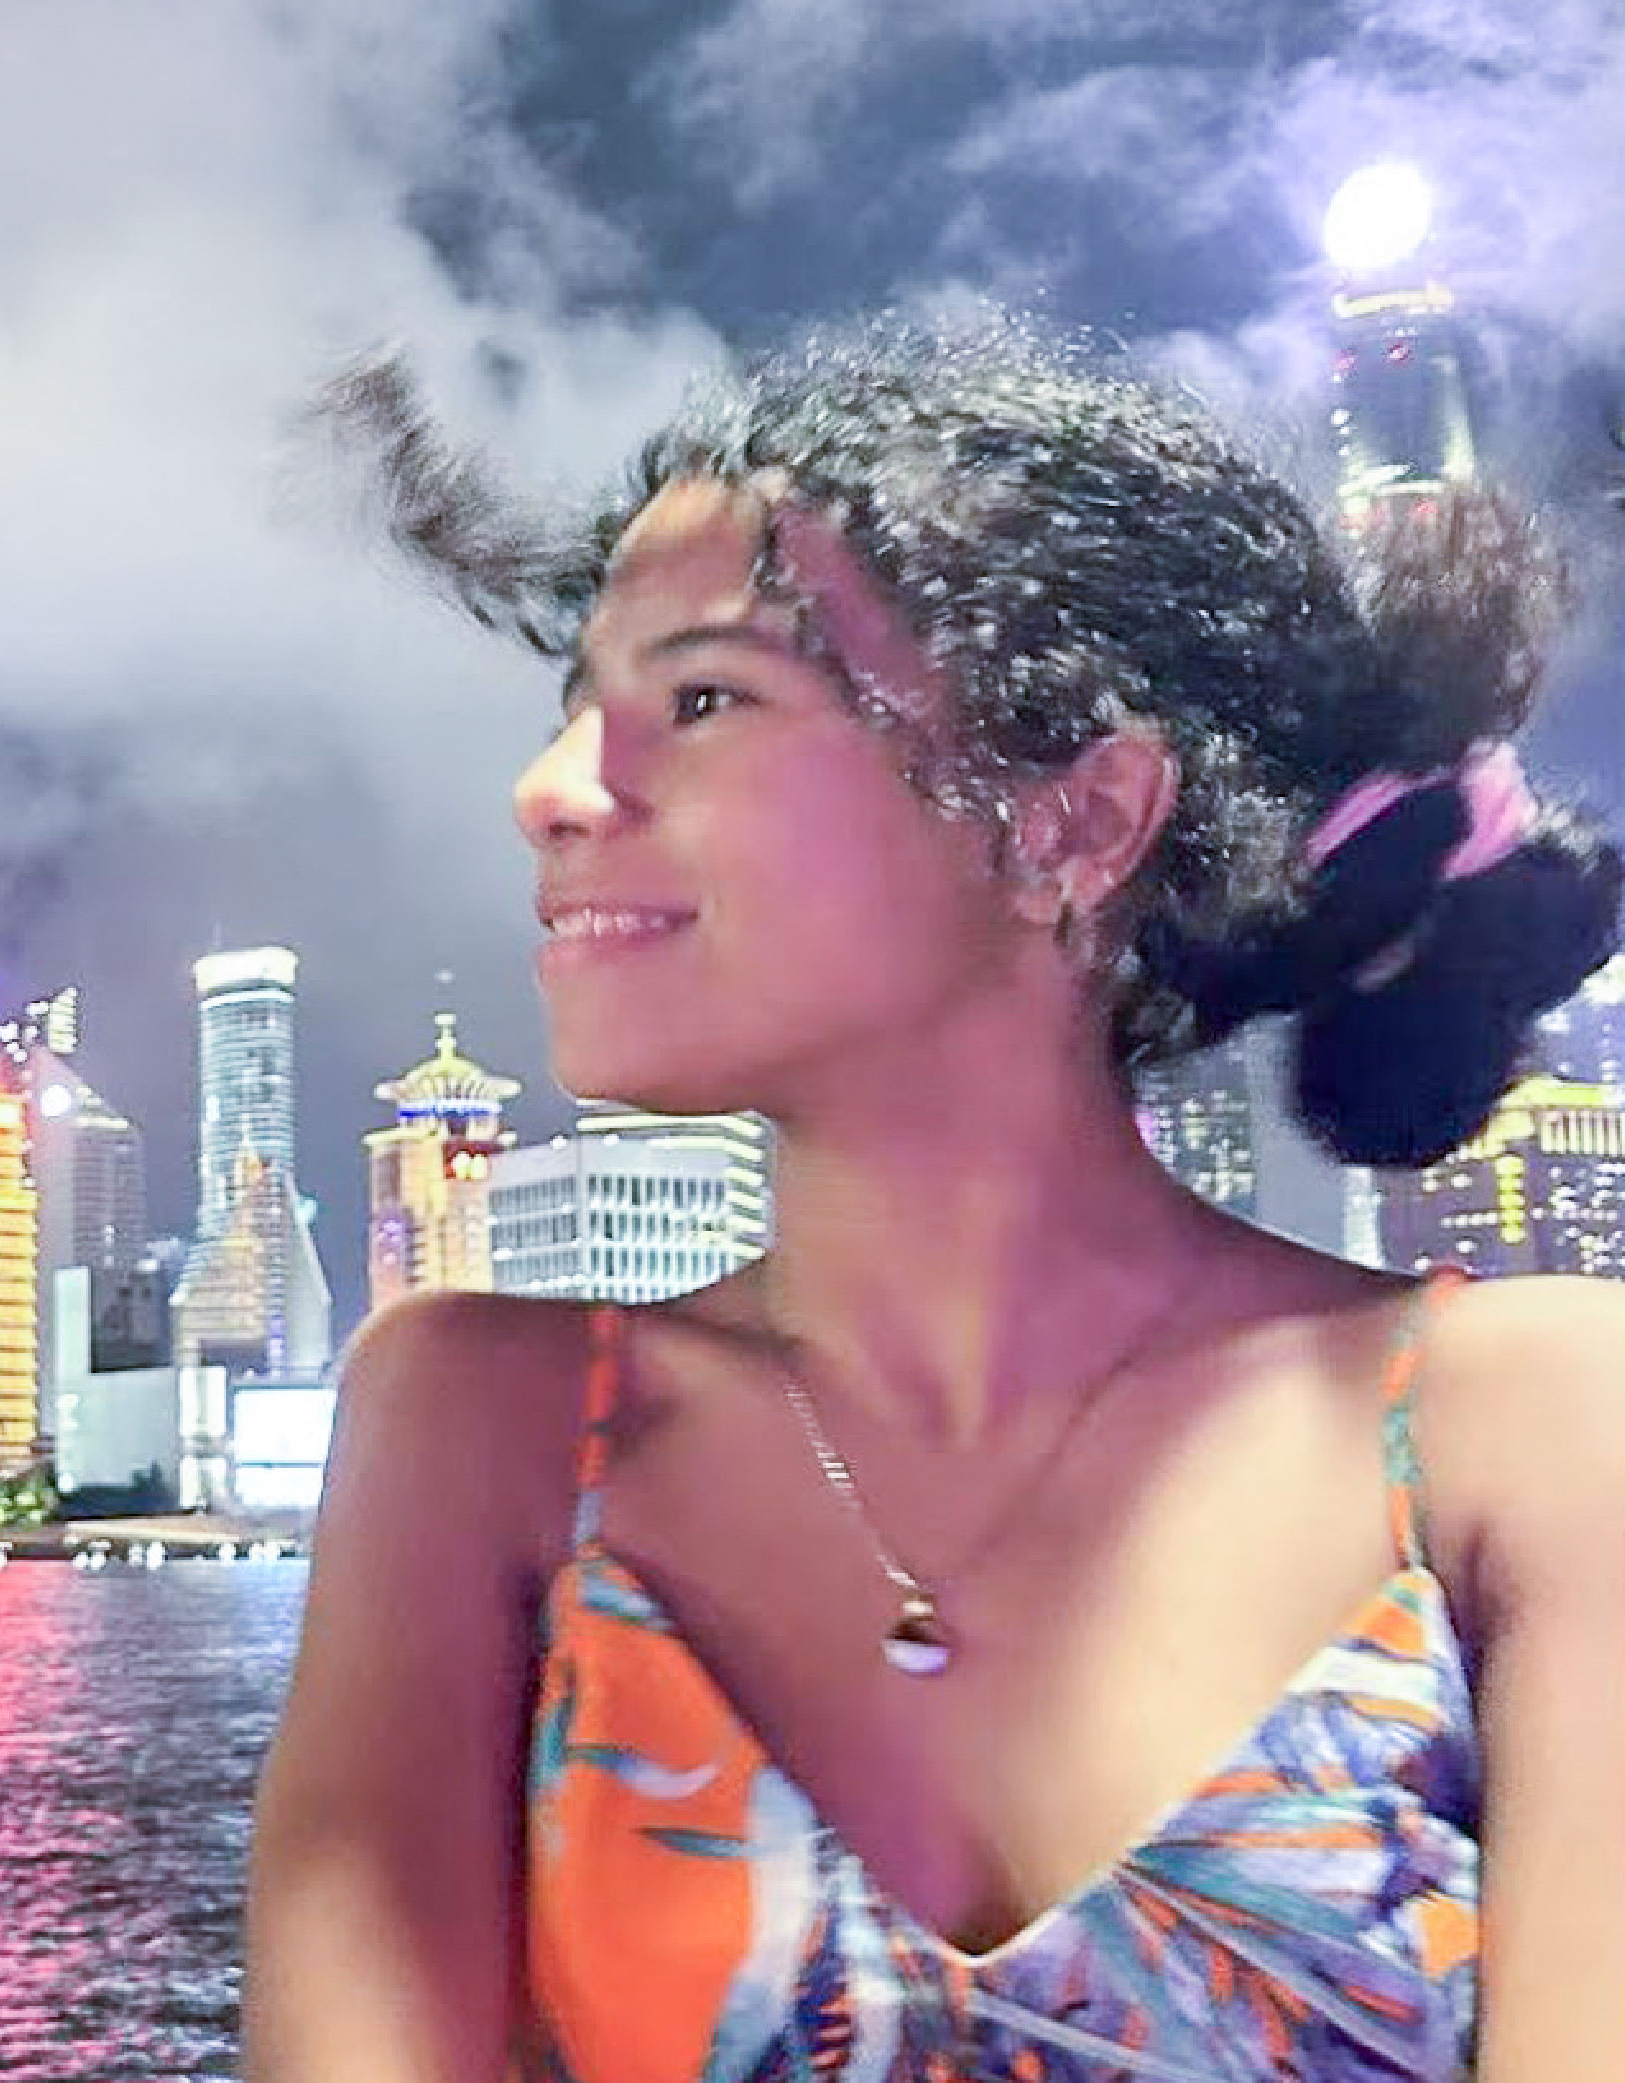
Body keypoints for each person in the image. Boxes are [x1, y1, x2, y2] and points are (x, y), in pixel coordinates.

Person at [243, 321, 1625, 2081]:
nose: (548, 792)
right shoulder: (478, 1423)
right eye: (577, 706)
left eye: (703, 697)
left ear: (1077, 815)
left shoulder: (1539, 1424)